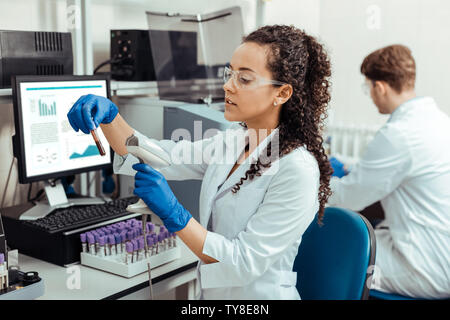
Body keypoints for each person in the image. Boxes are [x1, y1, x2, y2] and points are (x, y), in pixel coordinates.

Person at [67, 25, 333, 299]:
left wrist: (175, 215)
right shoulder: (234, 140)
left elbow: (243, 262)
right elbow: (161, 155)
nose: (227, 85)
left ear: (282, 93)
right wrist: (112, 119)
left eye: (244, 79)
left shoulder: (296, 169)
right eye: (230, 74)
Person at [328, 44, 450, 299]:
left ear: (379, 87)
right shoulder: (440, 121)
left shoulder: (399, 134)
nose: (371, 95)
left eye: (368, 88)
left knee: (332, 247)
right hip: (440, 248)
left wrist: (311, 183)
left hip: (428, 266)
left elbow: (350, 198)